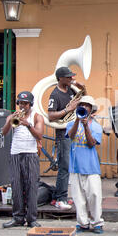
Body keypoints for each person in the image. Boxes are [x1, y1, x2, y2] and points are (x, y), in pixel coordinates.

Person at [2, 91, 44, 228]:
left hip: (31, 154)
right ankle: (18, 218)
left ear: (30, 104)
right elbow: (4, 132)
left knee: (31, 186)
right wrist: (10, 120)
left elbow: (39, 135)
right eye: (20, 103)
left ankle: (31, 219)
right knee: (16, 186)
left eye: (25, 103)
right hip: (15, 153)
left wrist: (27, 124)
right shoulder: (13, 116)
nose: (22, 106)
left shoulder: (37, 117)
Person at [48, 66, 86, 210]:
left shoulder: (71, 90)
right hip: (63, 133)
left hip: (74, 131)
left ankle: (66, 196)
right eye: (68, 77)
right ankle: (60, 199)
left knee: (71, 166)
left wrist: (83, 90)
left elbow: (83, 100)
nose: (71, 79)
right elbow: (51, 116)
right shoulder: (55, 94)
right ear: (61, 78)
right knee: (64, 167)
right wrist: (67, 109)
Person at [66, 95, 104, 234]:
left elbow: (91, 143)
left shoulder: (96, 126)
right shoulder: (71, 123)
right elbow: (70, 136)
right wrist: (77, 120)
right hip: (75, 166)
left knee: (94, 195)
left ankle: (97, 222)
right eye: (81, 105)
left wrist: (86, 125)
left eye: (87, 105)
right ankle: (82, 223)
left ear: (91, 109)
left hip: (91, 166)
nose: (84, 107)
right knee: (78, 197)